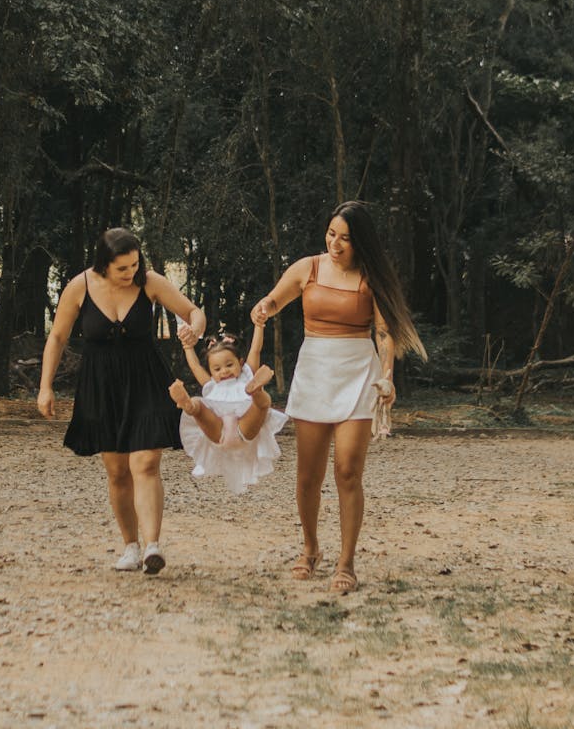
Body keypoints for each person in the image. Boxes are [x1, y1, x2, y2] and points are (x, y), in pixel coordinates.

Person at [250, 201, 426, 594]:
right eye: (331, 234)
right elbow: (275, 300)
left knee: (347, 470)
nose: (335, 243)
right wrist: (263, 309)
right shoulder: (307, 268)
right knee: (308, 474)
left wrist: (387, 377)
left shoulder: (370, 277)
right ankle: (310, 548)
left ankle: (346, 561)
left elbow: (383, 333)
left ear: (360, 242)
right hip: (315, 370)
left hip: (357, 375)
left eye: (345, 238)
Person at [38, 227, 205, 575]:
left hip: (146, 379)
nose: (131, 273)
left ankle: (153, 546)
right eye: (123, 269)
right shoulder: (79, 286)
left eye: (134, 265)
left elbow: (194, 312)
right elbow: (57, 336)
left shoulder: (150, 282)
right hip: (101, 385)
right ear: (104, 265)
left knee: (144, 463)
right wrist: (45, 386)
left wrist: (195, 329)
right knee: (117, 472)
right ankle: (131, 546)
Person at [169, 321, 288, 494]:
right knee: (200, 406)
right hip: (219, 432)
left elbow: (255, 350)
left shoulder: (247, 375)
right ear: (211, 372)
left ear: (240, 362)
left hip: (244, 429)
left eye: (229, 365)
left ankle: (256, 392)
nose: (224, 371)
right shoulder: (211, 385)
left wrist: (259, 325)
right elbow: (195, 366)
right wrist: (187, 347)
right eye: (217, 369)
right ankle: (189, 405)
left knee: (262, 405)